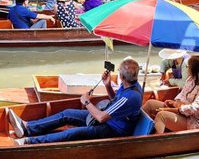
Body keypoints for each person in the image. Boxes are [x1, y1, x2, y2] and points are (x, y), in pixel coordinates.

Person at [8, 59, 143, 144]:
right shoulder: (130, 85)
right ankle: (28, 127)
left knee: (71, 133)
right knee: (67, 113)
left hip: (113, 129)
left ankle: (29, 141)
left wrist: (86, 102)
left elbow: (101, 118)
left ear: (122, 77)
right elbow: (114, 101)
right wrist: (107, 84)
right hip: (108, 119)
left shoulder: (130, 97)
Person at [142, 55, 199, 134]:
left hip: (195, 121)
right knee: (150, 104)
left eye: (188, 67)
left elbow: (194, 109)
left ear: (193, 69)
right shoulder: (191, 79)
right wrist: (174, 103)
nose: (186, 69)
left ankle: (152, 143)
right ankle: (138, 130)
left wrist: (173, 110)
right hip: (182, 112)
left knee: (161, 116)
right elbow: (182, 95)